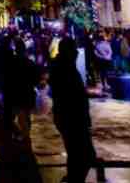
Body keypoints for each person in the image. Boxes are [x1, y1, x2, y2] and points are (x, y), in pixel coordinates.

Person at [48, 37, 95, 182]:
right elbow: (71, 97)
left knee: (77, 154)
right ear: (67, 51)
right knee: (82, 154)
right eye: (73, 50)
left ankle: (73, 177)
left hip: (70, 118)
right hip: (72, 119)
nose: (76, 53)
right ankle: (75, 178)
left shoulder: (64, 67)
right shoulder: (64, 69)